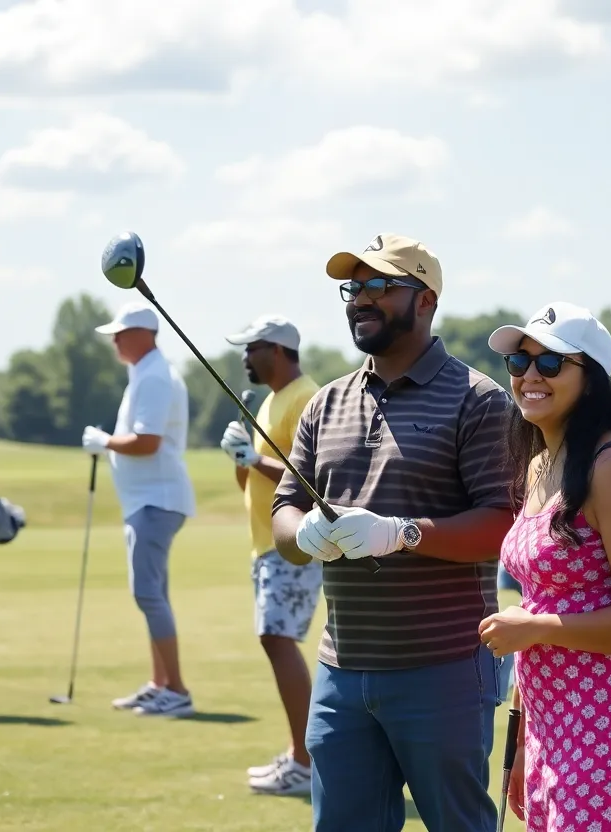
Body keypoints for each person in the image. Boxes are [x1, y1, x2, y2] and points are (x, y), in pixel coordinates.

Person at [270, 233, 516, 832]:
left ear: (426, 300)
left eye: (380, 286)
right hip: (341, 669)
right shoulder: (324, 405)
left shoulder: (479, 401)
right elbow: (283, 509)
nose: (360, 300)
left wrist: (402, 533)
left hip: (445, 670)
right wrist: (301, 533)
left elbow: (503, 525)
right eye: (353, 288)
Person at [477, 301, 611, 832]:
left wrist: (532, 629)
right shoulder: (539, 465)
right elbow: (539, 600)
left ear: (592, 379)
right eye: (520, 362)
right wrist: (523, 737)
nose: (530, 375)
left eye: (551, 363)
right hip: (556, 727)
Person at [217, 314, 323, 796]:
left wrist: (252, 458)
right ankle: (298, 755)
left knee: (277, 637)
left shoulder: (304, 398)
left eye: (251, 347)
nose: (244, 357)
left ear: (277, 350)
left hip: (292, 543)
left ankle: (305, 762)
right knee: (274, 638)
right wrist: (241, 459)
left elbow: (309, 476)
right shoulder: (270, 402)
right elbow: (254, 478)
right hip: (266, 544)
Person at [83, 301, 197, 718]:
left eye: (120, 332)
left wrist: (103, 441)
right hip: (147, 500)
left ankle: (178, 691)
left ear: (144, 335)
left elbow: (147, 442)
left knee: (148, 593)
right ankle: (160, 683)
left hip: (157, 499)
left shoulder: (154, 377)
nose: (114, 340)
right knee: (154, 594)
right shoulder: (145, 374)